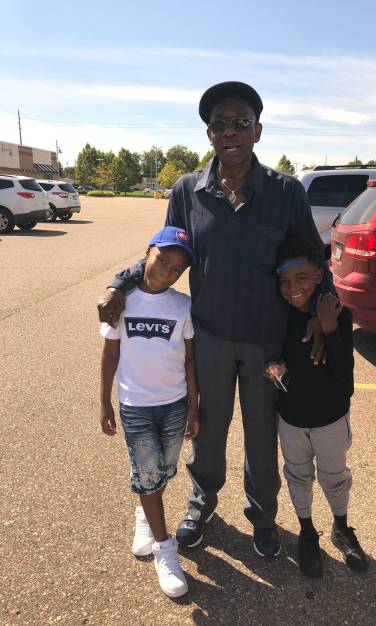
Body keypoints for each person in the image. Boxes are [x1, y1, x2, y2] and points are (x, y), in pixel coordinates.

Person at [98, 81, 333, 558]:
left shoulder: (285, 192)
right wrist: (121, 284)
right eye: (220, 124)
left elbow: (313, 256)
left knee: (262, 436)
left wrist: (322, 311)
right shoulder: (188, 191)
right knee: (206, 430)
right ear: (209, 134)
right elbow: (163, 252)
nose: (230, 132)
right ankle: (201, 504)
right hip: (209, 340)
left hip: (266, 343)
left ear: (257, 131)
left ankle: (263, 516)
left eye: (240, 122)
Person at [99, 226, 200, 598]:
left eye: (176, 269)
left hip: (173, 405)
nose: (167, 272)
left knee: (163, 470)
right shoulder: (121, 302)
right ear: (147, 253)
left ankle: (145, 511)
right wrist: (104, 400)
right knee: (148, 473)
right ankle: (164, 547)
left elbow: (189, 359)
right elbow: (110, 354)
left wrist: (194, 405)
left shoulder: (182, 305)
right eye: (162, 260)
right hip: (136, 406)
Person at [265, 237, 368, 578]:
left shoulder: (337, 314)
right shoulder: (279, 319)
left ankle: (341, 527)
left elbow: (345, 376)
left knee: (335, 477)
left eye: (301, 278)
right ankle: (307, 531)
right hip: (292, 419)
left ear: (319, 275)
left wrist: (329, 328)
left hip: (330, 419)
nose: (292, 287)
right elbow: (276, 358)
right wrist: (275, 368)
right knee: (298, 476)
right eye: (284, 281)